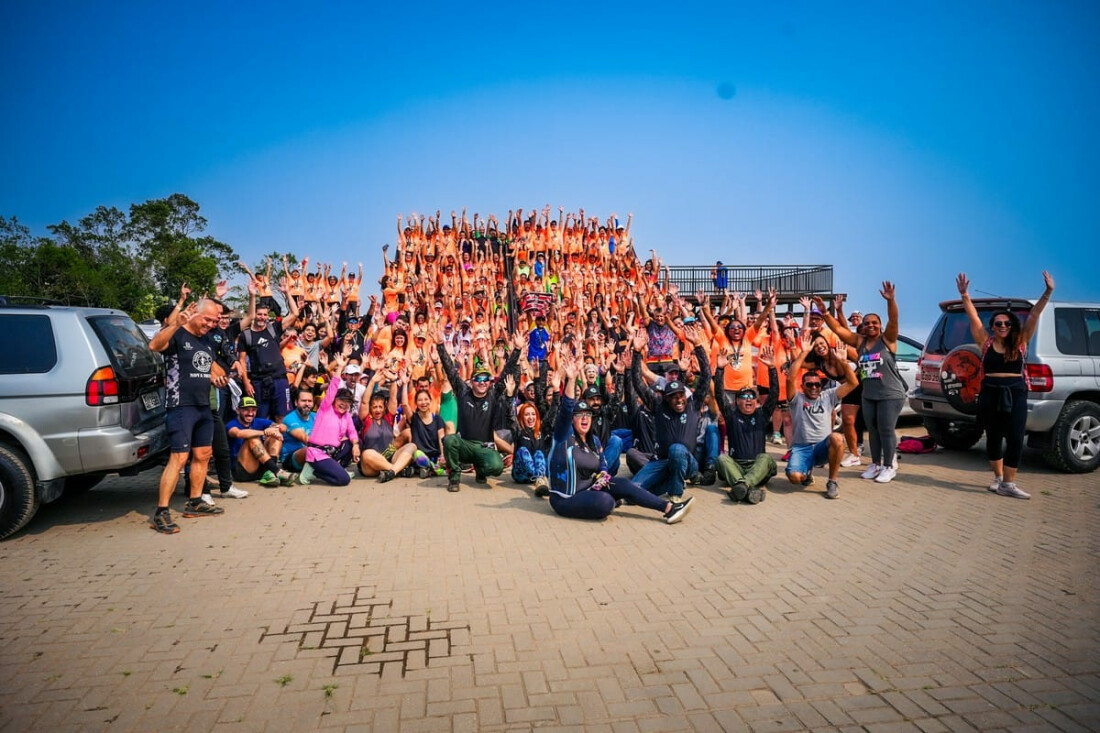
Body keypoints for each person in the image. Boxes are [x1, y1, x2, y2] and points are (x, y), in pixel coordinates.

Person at [546, 353, 694, 523]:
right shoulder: (564, 437)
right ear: (573, 420)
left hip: (589, 490)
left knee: (622, 483)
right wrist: (571, 379)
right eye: (579, 415)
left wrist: (603, 473)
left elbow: (602, 463)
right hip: (565, 498)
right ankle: (606, 498)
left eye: (588, 415)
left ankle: (669, 508)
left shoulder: (593, 441)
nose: (584, 418)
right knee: (607, 502)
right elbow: (566, 409)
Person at [956, 271, 1055, 499]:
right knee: (993, 437)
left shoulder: (1020, 342)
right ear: (992, 326)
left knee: (1015, 437)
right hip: (990, 393)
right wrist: (965, 296)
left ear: (1012, 326)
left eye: (1007, 323)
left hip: (1015, 392)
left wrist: (1048, 292)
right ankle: (999, 479)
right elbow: (973, 317)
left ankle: (1009, 484)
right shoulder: (985, 342)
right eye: (998, 323)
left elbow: (1034, 315)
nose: (1003, 325)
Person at [147, 299, 227, 533]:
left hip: (203, 405)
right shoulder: (178, 334)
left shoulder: (206, 339)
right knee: (179, 458)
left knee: (203, 455)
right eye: (207, 320)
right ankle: (161, 511)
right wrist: (175, 324)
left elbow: (209, 367)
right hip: (181, 405)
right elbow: (154, 346)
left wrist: (217, 377)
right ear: (194, 315)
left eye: (214, 321)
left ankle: (195, 501)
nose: (210, 324)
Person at [815, 284, 906, 483]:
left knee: (885, 429)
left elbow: (894, 320)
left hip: (890, 394)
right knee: (872, 430)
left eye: (875, 323)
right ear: (863, 326)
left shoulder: (888, 340)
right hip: (869, 394)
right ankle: (875, 464)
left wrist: (891, 301)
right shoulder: (860, 342)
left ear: (880, 325)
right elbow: (838, 329)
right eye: (867, 323)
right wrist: (825, 313)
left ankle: (889, 466)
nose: (870, 325)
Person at [629, 322, 711, 503]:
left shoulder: (693, 404)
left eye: (681, 395)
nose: (679, 400)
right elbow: (638, 383)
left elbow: (706, 376)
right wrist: (636, 352)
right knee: (633, 489)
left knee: (677, 449)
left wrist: (698, 346)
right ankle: (649, 491)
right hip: (661, 461)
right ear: (666, 398)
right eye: (673, 397)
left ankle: (675, 496)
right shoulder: (658, 405)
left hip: (688, 462)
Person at [433, 326, 520, 492]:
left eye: (486, 379)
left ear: (490, 382)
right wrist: (440, 346)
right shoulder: (463, 392)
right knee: (449, 440)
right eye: (478, 379)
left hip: (484, 447)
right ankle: (454, 477)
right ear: (471, 381)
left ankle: (481, 470)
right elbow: (450, 371)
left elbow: (506, 372)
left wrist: (517, 350)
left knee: (497, 467)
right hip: (464, 445)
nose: (482, 382)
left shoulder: (493, 394)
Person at [785, 341, 859, 499]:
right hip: (802, 448)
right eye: (809, 384)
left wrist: (843, 361)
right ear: (803, 386)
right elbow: (790, 378)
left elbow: (853, 383)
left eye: (817, 384)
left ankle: (832, 481)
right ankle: (807, 474)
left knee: (837, 438)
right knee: (794, 478)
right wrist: (804, 353)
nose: (814, 388)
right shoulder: (796, 399)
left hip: (822, 447)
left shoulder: (829, 395)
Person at [714, 349, 780, 504]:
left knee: (766, 458)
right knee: (722, 459)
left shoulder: (762, 414)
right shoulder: (731, 415)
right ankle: (748, 489)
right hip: (736, 466)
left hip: (758, 467)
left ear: (756, 401)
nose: (749, 399)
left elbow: (774, 394)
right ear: (737, 401)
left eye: (752, 396)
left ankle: (741, 486)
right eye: (744, 396)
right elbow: (719, 395)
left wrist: (772, 369)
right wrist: (720, 369)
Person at [302, 344, 361, 486]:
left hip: (332, 452)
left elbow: (352, 432)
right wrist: (340, 367)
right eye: (341, 401)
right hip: (318, 453)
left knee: (352, 441)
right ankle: (313, 471)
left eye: (347, 403)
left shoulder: (346, 415)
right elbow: (333, 387)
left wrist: (355, 445)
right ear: (335, 400)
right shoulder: (326, 408)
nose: (344, 404)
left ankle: (336, 468)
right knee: (344, 480)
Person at [237, 302, 293, 421]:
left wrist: (287, 293)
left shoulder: (273, 329)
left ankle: (282, 434)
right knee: (260, 417)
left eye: (265, 314)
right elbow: (242, 360)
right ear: (254, 315)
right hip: (259, 382)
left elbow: (294, 314)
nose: (262, 317)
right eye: (259, 314)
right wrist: (246, 383)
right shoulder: (246, 336)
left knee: (282, 416)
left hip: (279, 379)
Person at [226, 397, 295, 487]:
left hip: (260, 467)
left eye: (253, 410)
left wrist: (278, 428)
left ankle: (271, 472)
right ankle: (277, 471)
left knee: (275, 435)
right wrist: (264, 432)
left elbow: (282, 427)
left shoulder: (259, 421)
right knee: (252, 438)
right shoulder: (231, 424)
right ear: (238, 410)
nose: (250, 413)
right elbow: (239, 433)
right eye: (246, 410)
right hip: (241, 471)